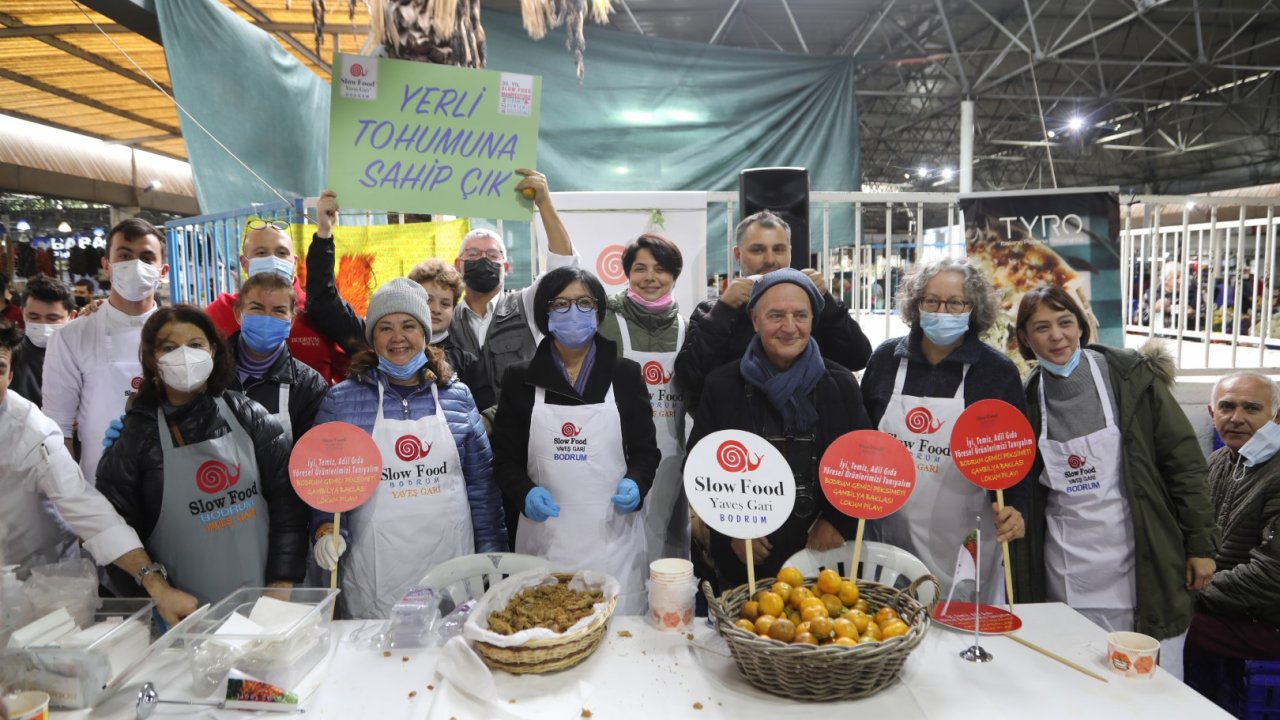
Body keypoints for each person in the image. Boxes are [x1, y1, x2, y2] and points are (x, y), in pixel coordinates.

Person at [1012, 283, 1218, 680]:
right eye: (1041, 327)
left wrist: (1201, 545)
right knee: (1078, 676)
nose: (1056, 336)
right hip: (1067, 566)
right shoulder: (1026, 398)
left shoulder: (1129, 377)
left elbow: (1184, 464)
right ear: (1024, 337)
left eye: (1065, 322)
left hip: (1142, 558)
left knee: (1147, 681)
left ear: (1081, 325)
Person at [310, 279, 505, 619]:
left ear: (425, 334)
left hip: (451, 564)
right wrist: (326, 531)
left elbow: (482, 491)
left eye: (408, 326)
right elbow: (326, 488)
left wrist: (493, 557)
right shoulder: (341, 400)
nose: (397, 337)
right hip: (375, 573)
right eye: (385, 327)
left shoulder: (457, 397)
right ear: (372, 338)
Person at [95, 306, 308, 606]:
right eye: (170, 347)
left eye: (195, 345)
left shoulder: (249, 416)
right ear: (152, 359)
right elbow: (114, 532)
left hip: (269, 606)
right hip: (185, 618)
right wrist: (155, 601)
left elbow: (288, 507)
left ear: (213, 351)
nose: (184, 355)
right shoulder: (134, 440)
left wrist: (281, 584)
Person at [0, 321, 196, 625]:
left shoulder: (29, 430)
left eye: (0, 368)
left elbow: (84, 506)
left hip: (35, 584)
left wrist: (154, 582)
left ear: (10, 377)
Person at [687, 270, 870, 590]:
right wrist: (731, 529)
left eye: (800, 315)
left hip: (822, 560)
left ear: (813, 320)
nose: (789, 327)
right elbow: (698, 465)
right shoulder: (723, 385)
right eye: (776, 316)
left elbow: (865, 464)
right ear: (755, 320)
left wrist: (840, 522)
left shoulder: (840, 385)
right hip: (745, 561)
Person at [491, 267, 660, 613]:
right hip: (546, 540)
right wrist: (525, 493)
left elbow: (646, 452)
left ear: (598, 312)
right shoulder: (520, 379)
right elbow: (505, 460)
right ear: (545, 313)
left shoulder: (624, 375)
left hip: (613, 539)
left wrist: (636, 483)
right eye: (561, 304)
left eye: (584, 303)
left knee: (617, 630)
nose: (573, 312)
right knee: (545, 624)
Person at [861, 258, 1027, 602]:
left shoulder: (996, 372)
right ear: (916, 304)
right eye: (932, 301)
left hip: (963, 541)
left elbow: (1017, 455)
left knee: (957, 626)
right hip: (889, 537)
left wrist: (1017, 508)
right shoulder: (886, 359)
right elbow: (861, 440)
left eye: (955, 303)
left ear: (973, 308)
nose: (942, 311)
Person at [303, 196, 492, 411]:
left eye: (445, 303)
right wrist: (324, 234)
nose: (435, 309)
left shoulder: (467, 362)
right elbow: (324, 302)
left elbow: (480, 417)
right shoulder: (370, 340)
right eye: (428, 300)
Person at [676, 210, 872, 413]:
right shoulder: (712, 311)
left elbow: (858, 357)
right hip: (736, 427)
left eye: (779, 249)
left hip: (809, 424)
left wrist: (827, 302)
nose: (770, 260)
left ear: (789, 252)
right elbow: (688, 378)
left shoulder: (811, 306)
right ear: (738, 255)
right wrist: (723, 311)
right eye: (757, 250)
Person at [43, 218, 168, 480]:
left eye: (147, 258)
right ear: (107, 266)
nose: (135, 265)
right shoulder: (71, 336)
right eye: (125, 256)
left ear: (163, 271)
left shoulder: (180, 333)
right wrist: (74, 494)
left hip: (173, 481)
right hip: (99, 484)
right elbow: (58, 428)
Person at [1185, 372, 1280, 711]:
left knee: (1172, 628)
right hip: (1228, 607)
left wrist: (1193, 592)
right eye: (1227, 407)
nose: (1236, 418)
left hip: (1267, 620)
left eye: (1251, 408)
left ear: (1276, 416)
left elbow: (1272, 575)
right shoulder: (1218, 462)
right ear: (1212, 414)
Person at [447, 170, 579, 411]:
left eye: (492, 255)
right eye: (473, 254)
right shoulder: (445, 317)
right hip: (463, 428)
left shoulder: (527, 305)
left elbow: (565, 269)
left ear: (506, 267)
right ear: (458, 265)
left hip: (523, 426)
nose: (483, 259)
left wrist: (544, 203)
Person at [597, 233, 690, 564]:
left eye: (660, 269)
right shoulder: (605, 321)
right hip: (618, 455)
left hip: (671, 459)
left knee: (665, 547)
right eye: (640, 268)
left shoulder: (687, 328)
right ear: (627, 273)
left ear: (674, 275)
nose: (651, 277)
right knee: (616, 544)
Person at [204, 216, 347, 384]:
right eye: (261, 253)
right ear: (244, 263)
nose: (273, 259)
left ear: (294, 262)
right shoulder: (219, 311)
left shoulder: (323, 311)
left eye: (281, 253)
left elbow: (349, 374)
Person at [228, 273, 328, 443]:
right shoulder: (211, 372)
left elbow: (311, 452)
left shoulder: (309, 385)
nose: (267, 318)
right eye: (257, 308)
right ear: (238, 313)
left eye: (279, 311)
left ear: (292, 321)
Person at [11, 274, 76, 407]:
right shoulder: (10, 353)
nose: (43, 324)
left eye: (52, 318)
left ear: (71, 316)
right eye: (34, 317)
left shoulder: (82, 354)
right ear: (22, 312)